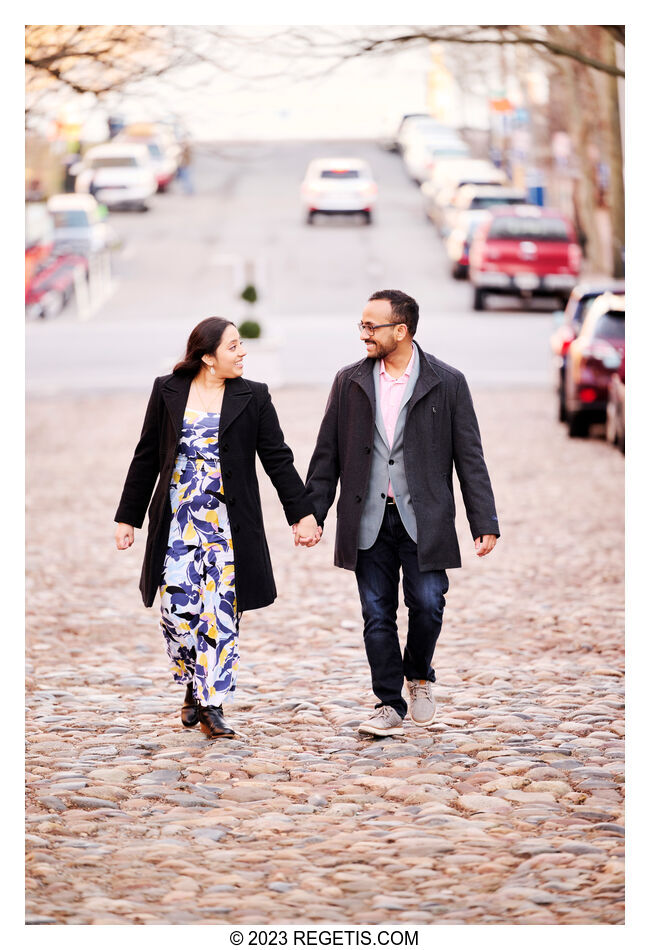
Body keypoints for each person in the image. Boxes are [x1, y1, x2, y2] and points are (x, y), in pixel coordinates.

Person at [303, 290, 500, 737]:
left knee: (428, 605)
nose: (363, 334)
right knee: (377, 614)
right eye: (362, 325)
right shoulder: (349, 381)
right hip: (367, 519)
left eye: (372, 327)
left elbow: (470, 456)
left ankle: (420, 677)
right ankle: (388, 703)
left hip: (424, 518)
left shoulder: (447, 382)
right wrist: (311, 513)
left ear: (401, 331)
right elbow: (326, 454)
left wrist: (483, 520)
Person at [114, 317, 320, 739]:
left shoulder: (254, 397)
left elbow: (278, 458)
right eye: (233, 346)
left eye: (241, 345)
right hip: (178, 524)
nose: (242, 352)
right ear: (208, 357)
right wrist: (127, 517)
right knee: (177, 613)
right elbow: (146, 454)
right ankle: (192, 682)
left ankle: (212, 704)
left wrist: (302, 514)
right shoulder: (167, 390)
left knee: (221, 613)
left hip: (229, 528)